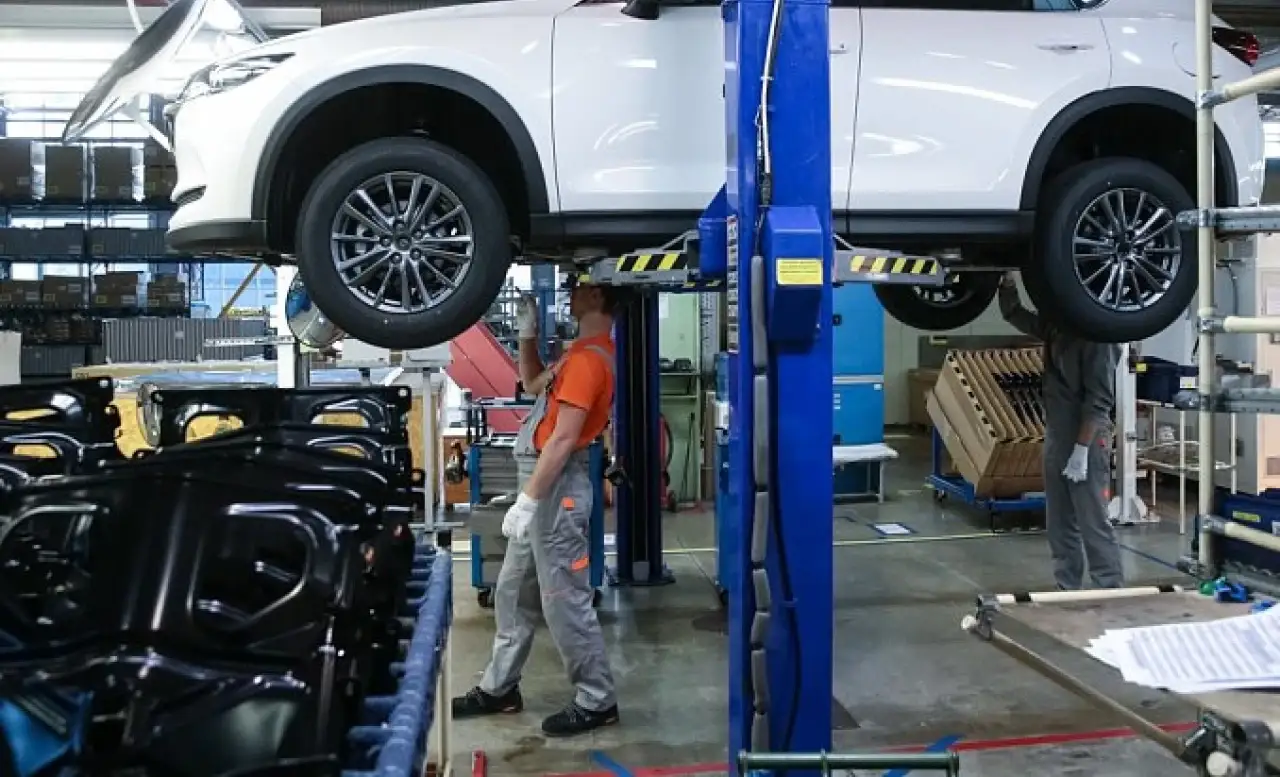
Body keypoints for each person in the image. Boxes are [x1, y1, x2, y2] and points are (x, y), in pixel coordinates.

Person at [452, 274, 621, 737]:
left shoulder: (590, 360)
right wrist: (526, 334)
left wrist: (528, 501)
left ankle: (597, 699)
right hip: (544, 483)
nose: (569, 291)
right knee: (511, 592)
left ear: (598, 295)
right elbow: (531, 384)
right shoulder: (577, 353)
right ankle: (500, 688)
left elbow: (564, 439)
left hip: (555, 489)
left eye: (577, 285)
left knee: (564, 599)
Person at [997, 272, 1125, 590]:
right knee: (1059, 521)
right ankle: (1066, 587)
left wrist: (1081, 451)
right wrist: (1007, 284)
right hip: (1057, 434)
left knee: (1092, 519)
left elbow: (1099, 402)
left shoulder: (1099, 338)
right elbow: (1016, 315)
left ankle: (1109, 587)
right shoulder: (1059, 326)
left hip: (1088, 437)